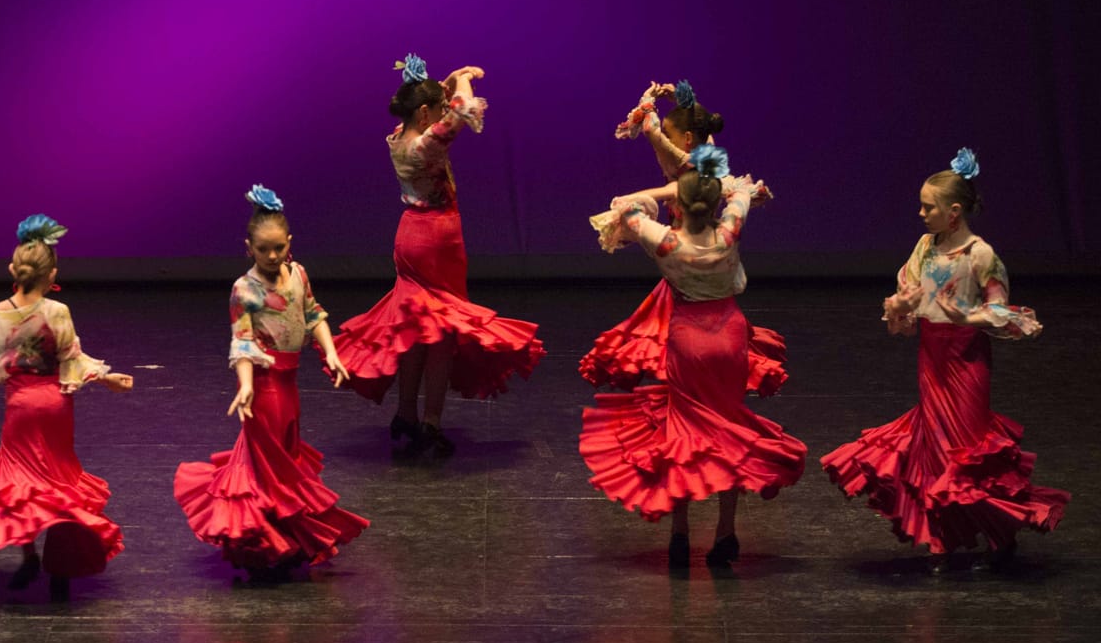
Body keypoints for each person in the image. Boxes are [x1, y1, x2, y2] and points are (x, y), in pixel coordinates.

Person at [822, 149, 1064, 570]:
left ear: (954, 213)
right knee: (935, 446)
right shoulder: (925, 248)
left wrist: (966, 316)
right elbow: (907, 295)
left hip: (965, 358)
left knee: (969, 448)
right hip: (931, 357)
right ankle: (942, 540)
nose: (921, 214)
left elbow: (1001, 311)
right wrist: (902, 304)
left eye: (928, 207)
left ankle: (1001, 534)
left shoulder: (979, 254)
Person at [580, 148, 805, 570]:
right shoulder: (729, 230)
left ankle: (680, 532)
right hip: (729, 337)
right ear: (713, 204)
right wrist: (732, 192)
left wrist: (665, 192)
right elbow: (741, 190)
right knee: (727, 426)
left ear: (679, 208)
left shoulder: (666, 241)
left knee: (682, 428)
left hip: (689, 340)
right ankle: (725, 531)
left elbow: (625, 207)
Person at [331, 56, 543, 456]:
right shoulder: (425, 145)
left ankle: (405, 413)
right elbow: (463, 109)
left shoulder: (398, 136)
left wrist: (446, 82)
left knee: (416, 328)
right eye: (435, 109)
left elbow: (443, 106)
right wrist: (463, 78)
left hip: (409, 236)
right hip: (438, 240)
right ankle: (430, 420)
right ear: (425, 113)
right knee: (442, 331)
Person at [0, 215, 133, 602]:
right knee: (59, 482)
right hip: (54, 405)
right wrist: (105, 378)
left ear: (13, 269)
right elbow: (71, 357)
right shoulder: (57, 311)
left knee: (16, 482)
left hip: (20, 406)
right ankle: (60, 568)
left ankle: (28, 556)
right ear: (52, 273)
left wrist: (5, 371)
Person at [174, 187, 368, 583]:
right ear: (249, 248)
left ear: (290, 243)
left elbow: (313, 315)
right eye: (263, 249)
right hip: (264, 388)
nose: (273, 256)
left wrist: (331, 352)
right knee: (268, 470)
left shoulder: (297, 274)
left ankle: (282, 540)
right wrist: (245, 385)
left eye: (279, 248)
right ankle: (263, 546)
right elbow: (243, 342)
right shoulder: (245, 290)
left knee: (286, 460)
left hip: (290, 385)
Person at [582, 79, 786, 394]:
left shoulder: (681, 160)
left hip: (682, 246)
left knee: (674, 317)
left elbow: (650, 129)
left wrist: (649, 97)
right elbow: (701, 131)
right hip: (711, 246)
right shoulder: (712, 156)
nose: (667, 137)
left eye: (673, 132)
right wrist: (684, 103)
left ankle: (685, 375)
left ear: (687, 138)